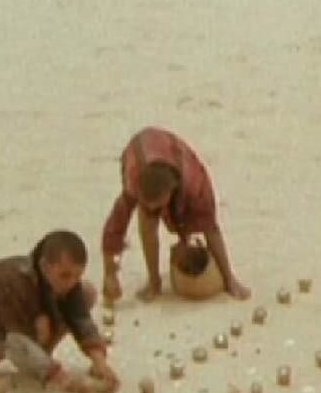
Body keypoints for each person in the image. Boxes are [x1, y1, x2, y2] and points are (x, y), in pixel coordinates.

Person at [0, 230, 119, 393]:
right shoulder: (16, 283)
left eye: (77, 276)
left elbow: (80, 318)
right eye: (65, 276)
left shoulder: (62, 281)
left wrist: (100, 362)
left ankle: (41, 358)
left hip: (22, 316)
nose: (71, 283)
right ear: (45, 266)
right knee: (12, 341)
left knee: (86, 293)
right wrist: (62, 379)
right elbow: (17, 338)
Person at [100, 126, 250, 303]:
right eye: (146, 203)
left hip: (174, 154)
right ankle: (154, 282)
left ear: (171, 191)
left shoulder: (196, 186)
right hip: (138, 149)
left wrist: (229, 279)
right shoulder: (133, 184)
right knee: (147, 224)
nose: (152, 208)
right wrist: (110, 274)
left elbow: (211, 228)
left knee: (195, 221)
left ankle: (227, 276)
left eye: (158, 205)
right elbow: (114, 231)